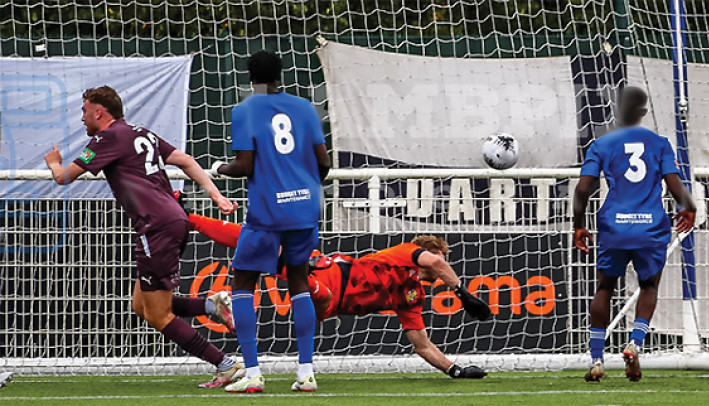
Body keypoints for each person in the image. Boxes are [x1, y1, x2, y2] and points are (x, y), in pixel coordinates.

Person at [43, 85, 242, 388]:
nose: (82, 118)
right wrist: (217, 197)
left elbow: (63, 177)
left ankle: (224, 364)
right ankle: (212, 306)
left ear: (99, 111)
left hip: (156, 225)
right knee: (142, 306)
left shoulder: (107, 137)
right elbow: (187, 160)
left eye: (84, 111)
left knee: (159, 316)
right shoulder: (141, 133)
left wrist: (54, 161)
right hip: (174, 218)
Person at [175, 205, 491, 380]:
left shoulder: (411, 297)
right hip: (327, 272)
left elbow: (422, 345)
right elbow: (434, 261)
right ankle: (189, 217)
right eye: (441, 264)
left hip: (326, 306)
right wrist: (462, 293)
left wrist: (455, 369)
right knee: (257, 242)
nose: (441, 271)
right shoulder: (406, 254)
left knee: (318, 297)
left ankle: (305, 288)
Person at [209, 50, 332, 393]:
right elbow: (323, 165)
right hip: (305, 208)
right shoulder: (306, 107)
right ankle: (306, 373)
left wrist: (217, 168)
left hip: (267, 210)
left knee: (244, 283)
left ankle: (253, 374)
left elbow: (244, 165)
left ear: (250, 76)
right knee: (299, 281)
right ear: (281, 73)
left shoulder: (244, 109)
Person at [572, 86, 696, 382]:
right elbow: (675, 185)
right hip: (651, 226)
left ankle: (596, 360)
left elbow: (582, 190)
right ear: (643, 112)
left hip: (614, 225)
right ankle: (634, 343)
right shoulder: (660, 143)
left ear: (618, 110)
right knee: (649, 286)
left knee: (604, 288)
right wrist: (688, 208)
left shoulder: (601, 144)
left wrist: (578, 225)